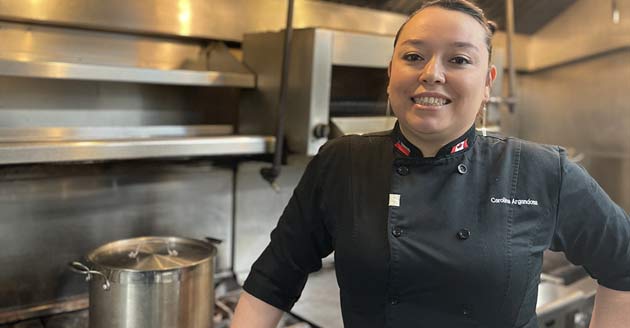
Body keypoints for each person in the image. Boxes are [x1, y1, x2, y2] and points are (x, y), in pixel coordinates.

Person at [231, 0, 630, 327]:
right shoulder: (342, 164)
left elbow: (623, 265)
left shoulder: (542, 172)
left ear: (488, 82)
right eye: (413, 56)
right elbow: (270, 283)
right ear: (390, 74)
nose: (431, 74)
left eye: (458, 59)